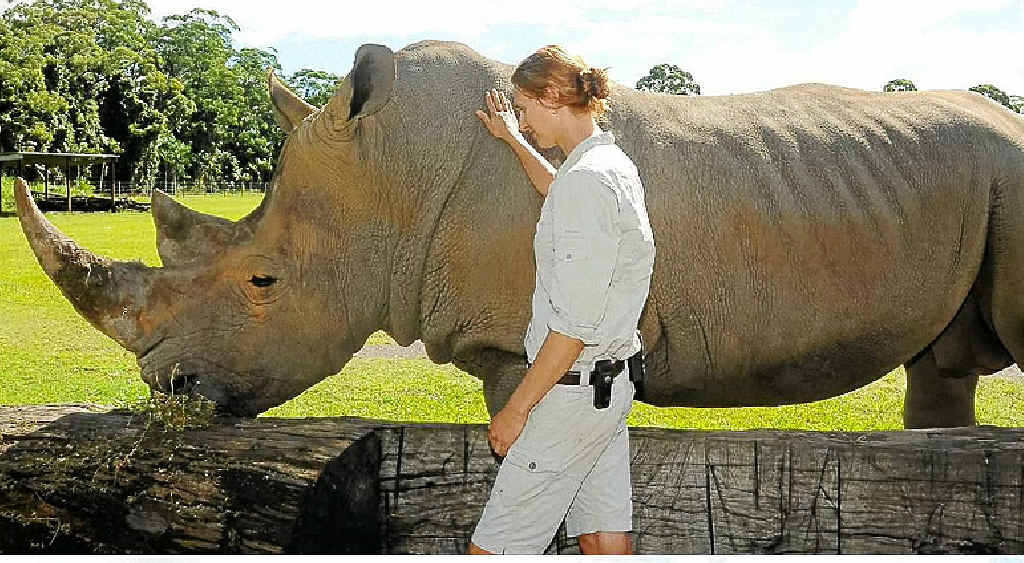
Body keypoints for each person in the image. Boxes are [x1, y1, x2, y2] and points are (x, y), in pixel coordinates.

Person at [468, 45, 656, 555]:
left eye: (524, 111)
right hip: (607, 389)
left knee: (496, 548)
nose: (524, 123)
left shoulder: (589, 181)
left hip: (571, 395)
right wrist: (511, 139)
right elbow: (560, 189)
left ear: (551, 96)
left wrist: (516, 409)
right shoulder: (608, 166)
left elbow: (572, 327)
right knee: (600, 537)